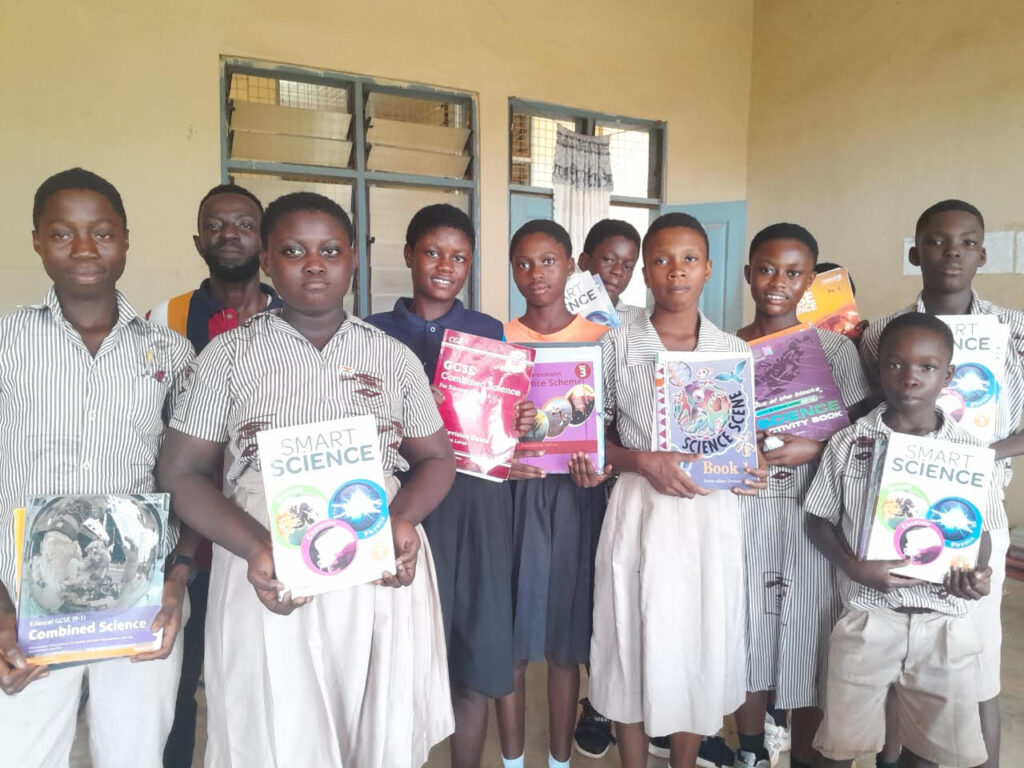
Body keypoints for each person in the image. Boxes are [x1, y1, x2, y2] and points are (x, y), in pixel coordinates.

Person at [156, 192, 456, 767]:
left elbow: (435, 459)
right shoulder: (228, 357)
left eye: (330, 249)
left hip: (376, 558)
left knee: (370, 723)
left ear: (352, 261)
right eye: (293, 250)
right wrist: (255, 547)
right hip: (266, 567)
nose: (313, 263)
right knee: (274, 726)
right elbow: (181, 471)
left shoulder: (390, 356)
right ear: (267, 261)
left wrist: (402, 521)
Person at [0, 168, 196, 768]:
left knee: (133, 755)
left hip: (140, 600)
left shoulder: (170, 353)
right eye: (63, 233)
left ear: (126, 239)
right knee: (20, 753)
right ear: (37, 240)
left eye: (102, 232)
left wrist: (177, 580)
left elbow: (188, 479)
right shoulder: (6, 342)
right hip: (20, 602)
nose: (84, 248)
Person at [574, 212, 767, 768]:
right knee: (629, 640)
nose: (674, 272)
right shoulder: (615, 342)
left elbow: (743, 438)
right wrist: (639, 461)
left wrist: (748, 466)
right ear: (644, 272)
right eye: (660, 259)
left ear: (709, 269)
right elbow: (588, 440)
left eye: (688, 260)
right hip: (639, 511)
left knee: (698, 641)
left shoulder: (733, 351)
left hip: (710, 518)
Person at [365, 203, 533, 768]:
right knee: (396, 652)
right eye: (433, 252)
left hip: (476, 505)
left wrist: (519, 420)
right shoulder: (371, 333)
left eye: (459, 257)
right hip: (399, 501)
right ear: (409, 254)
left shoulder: (488, 334)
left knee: (474, 651)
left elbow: (505, 423)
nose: (445, 265)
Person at [860, 200, 1024, 768]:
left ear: (983, 252)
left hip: (973, 512)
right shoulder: (882, 332)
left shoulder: (1013, 330)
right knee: (891, 659)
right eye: (935, 240)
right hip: (894, 510)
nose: (951, 250)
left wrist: (977, 457)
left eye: (967, 240)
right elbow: (866, 413)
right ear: (915, 252)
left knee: (972, 662)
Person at [805, 311, 996, 768]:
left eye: (927, 367)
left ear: (948, 374)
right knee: (842, 743)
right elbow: (817, 519)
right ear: (879, 368)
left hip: (943, 622)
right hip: (869, 617)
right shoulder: (849, 443)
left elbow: (981, 529)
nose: (910, 377)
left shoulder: (969, 451)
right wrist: (852, 566)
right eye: (895, 364)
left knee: (927, 749)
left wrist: (976, 571)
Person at [151, 182, 283, 768]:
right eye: (215, 224)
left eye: (243, 223)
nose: (229, 233)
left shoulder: (294, 316)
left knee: (261, 678)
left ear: (265, 239)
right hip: (186, 532)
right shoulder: (167, 319)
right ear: (198, 238)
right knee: (176, 678)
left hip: (269, 528)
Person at [733, 224, 871, 768]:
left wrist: (814, 448)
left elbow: (863, 429)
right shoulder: (722, 347)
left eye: (793, 273)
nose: (777, 283)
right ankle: (750, 750)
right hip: (745, 510)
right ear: (748, 274)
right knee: (748, 634)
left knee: (813, 638)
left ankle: (809, 754)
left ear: (809, 281)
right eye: (767, 269)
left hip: (815, 514)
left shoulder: (835, 351)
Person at [496, 219, 606, 768]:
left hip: (578, 498)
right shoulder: (498, 339)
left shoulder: (599, 340)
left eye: (547, 261)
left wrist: (602, 470)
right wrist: (503, 450)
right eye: (522, 263)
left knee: (566, 641)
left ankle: (560, 760)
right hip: (516, 498)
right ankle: (514, 760)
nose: (535, 273)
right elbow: (478, 433)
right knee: (511, 637)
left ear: (570, 265)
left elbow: (616, 428)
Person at [576, 218, 645, 326]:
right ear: (584, 262)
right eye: (608, 259)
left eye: (628, 267)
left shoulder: (642, 321)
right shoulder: (555, 313)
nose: (618, 271)